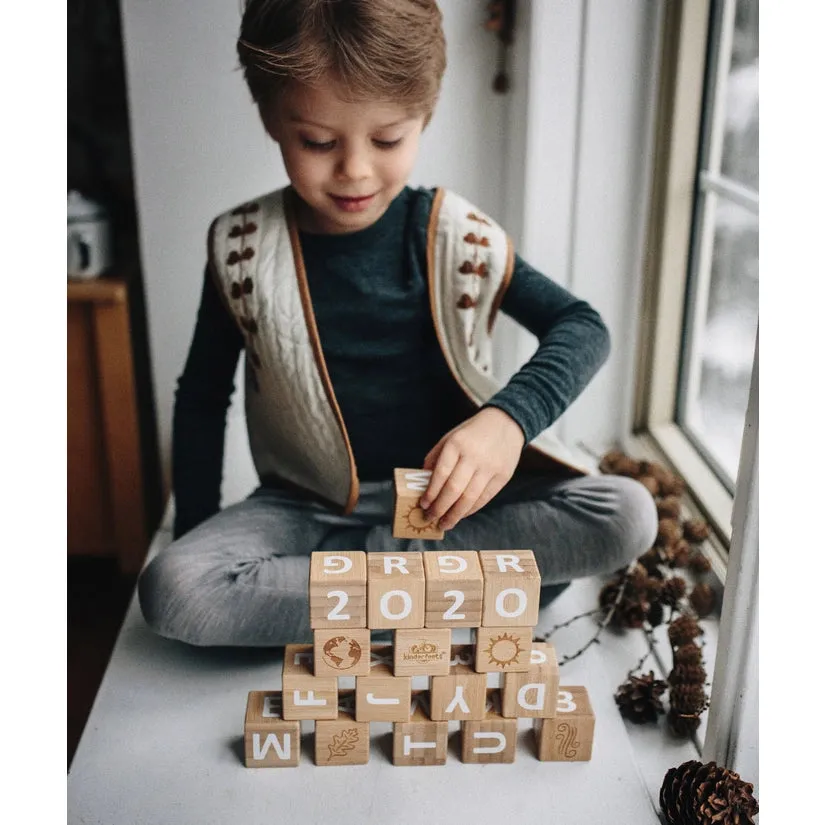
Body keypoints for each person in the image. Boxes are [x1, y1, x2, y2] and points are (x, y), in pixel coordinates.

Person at [138, 0, 657, 648]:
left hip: (454, 506)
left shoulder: (452, 234)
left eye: (386, 139)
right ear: (271, 116)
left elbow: (582, 326)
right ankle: (472, 589)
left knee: (626, 514)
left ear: (425, 114)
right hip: (306, 510)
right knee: (175, 589)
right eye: (318, 141)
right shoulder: (240, 247)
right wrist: (196, 532)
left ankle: (372, 588)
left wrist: (506, 421)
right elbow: (203, 397)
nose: (354, 168)